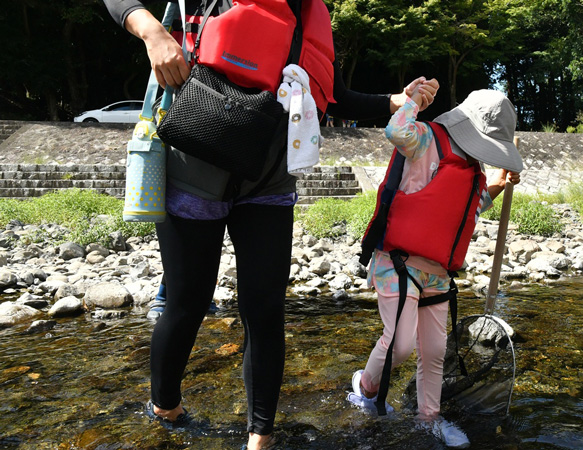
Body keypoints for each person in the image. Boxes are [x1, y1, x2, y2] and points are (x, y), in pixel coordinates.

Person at [102, 1, 438, 449]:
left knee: (264, 310)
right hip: (194, 165)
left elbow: (334, 93)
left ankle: (260, 436)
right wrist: (152, 32)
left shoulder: (310, 13)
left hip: (269, 180)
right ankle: (165, 408)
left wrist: (396, 100)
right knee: (188, 301)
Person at [348, 88, 523, 449]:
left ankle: (429, 417)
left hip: (437, 274)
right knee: (400, 344)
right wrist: (412, 102)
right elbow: (396, 132)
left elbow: (468, 209)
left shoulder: (474, 170)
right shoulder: (427, 139)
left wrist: (500, 186)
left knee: (434, 350)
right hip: (397, 262)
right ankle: (365, 387)